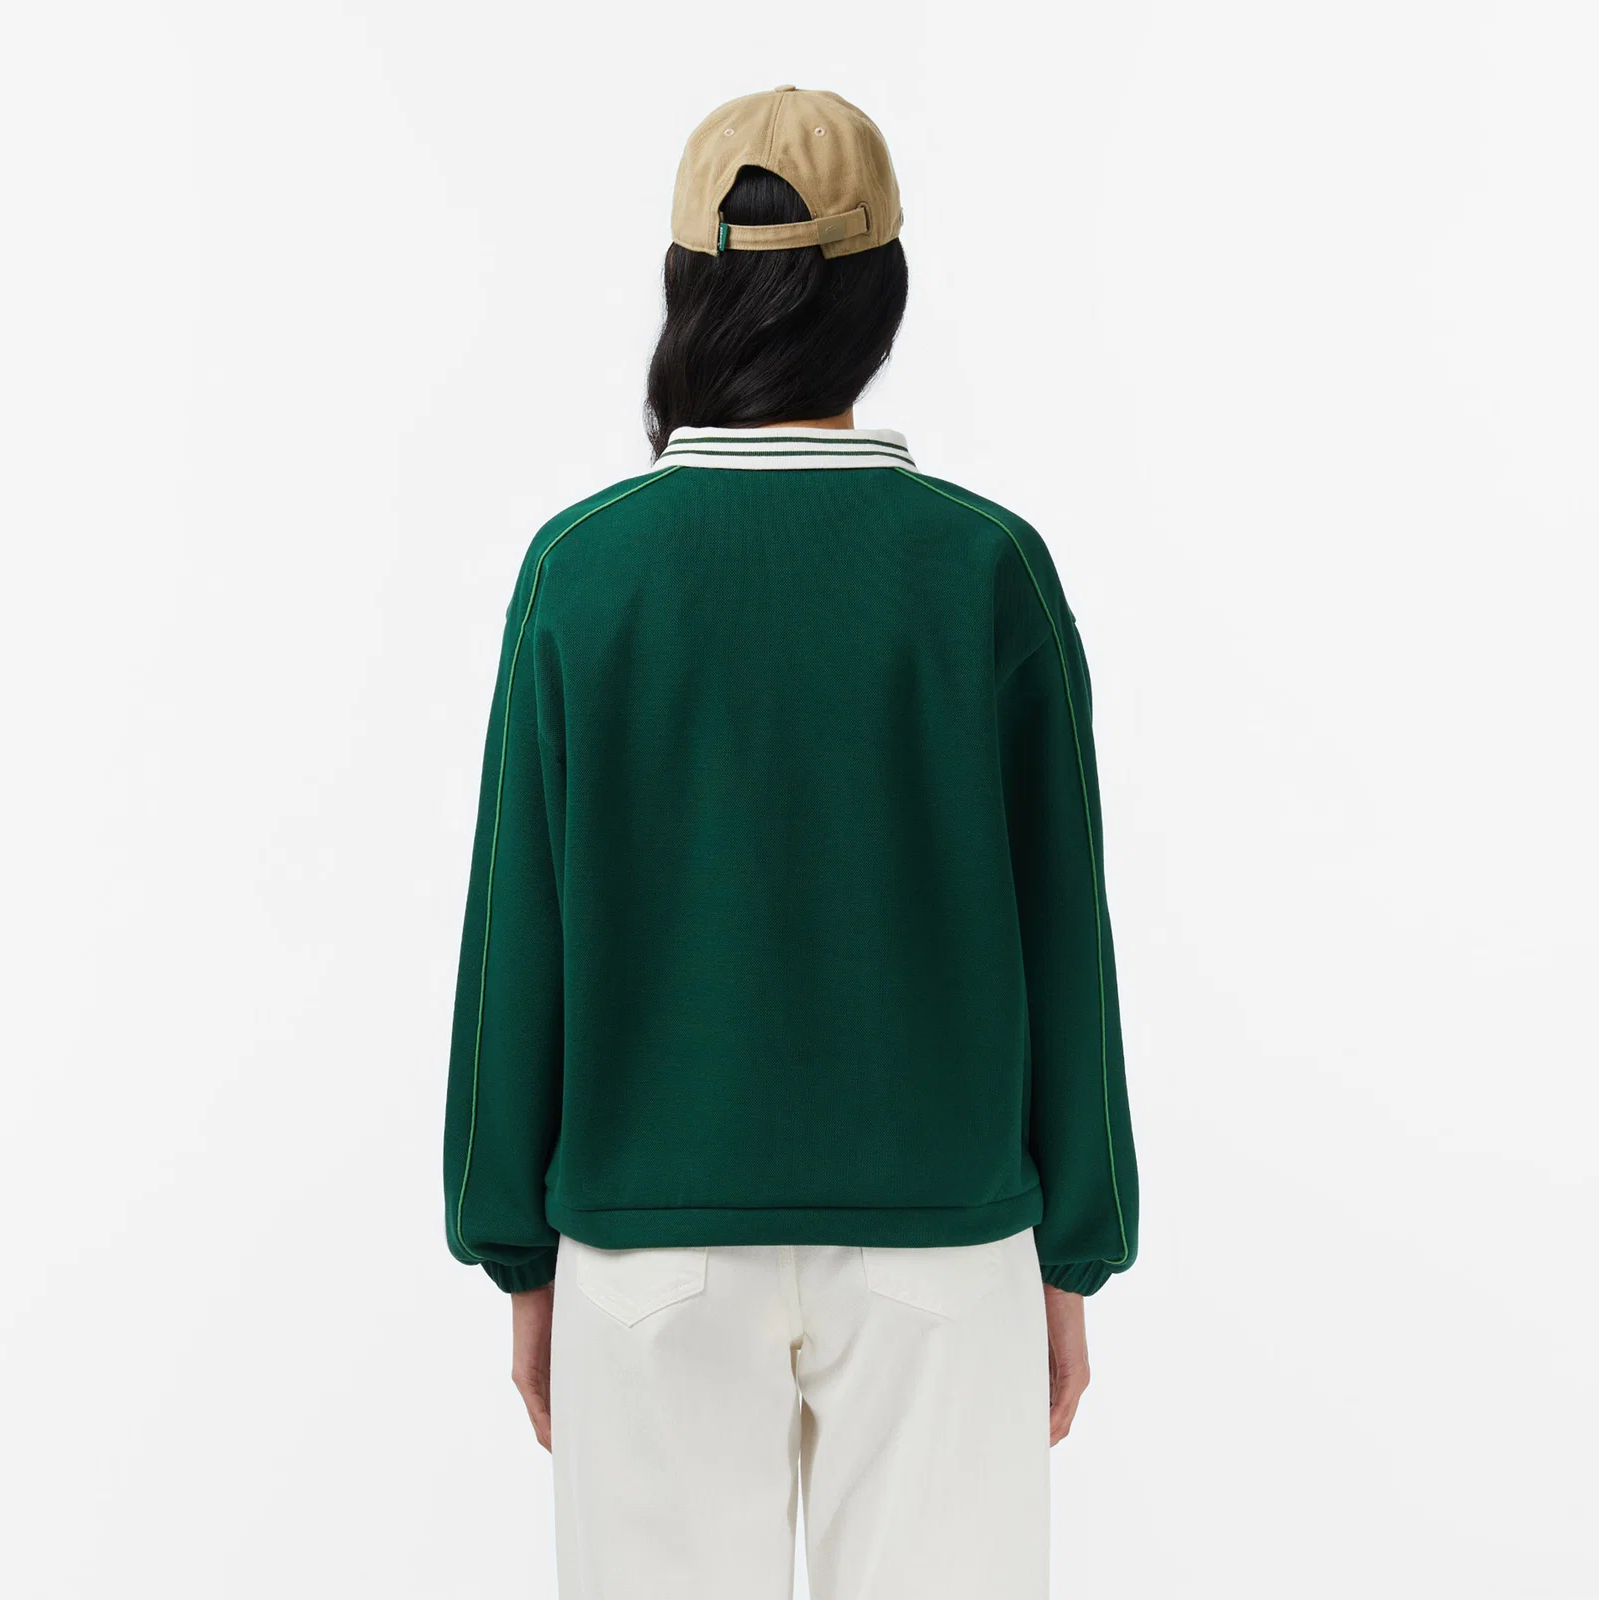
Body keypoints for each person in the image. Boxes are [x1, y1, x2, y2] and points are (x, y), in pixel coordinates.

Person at [441, 85, 1138, 1600]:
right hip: (941, 1241)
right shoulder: (986, 570)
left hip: (649, 1245)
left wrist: (518, 1250)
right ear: (881, 291)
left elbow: (516, 938)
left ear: (687, 284)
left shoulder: (583, 571)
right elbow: (1064, 936)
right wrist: (1072, 1248)